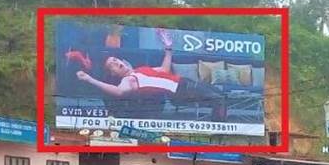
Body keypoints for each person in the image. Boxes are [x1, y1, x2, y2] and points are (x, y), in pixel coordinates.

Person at [72, 28, 228, 121]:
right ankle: (219, 134)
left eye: (115, 59)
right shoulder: (129, 80)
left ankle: (218, 126)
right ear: (114, 73)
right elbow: (118, 91)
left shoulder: (140, 70)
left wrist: (168, 48)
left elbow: (164, 70)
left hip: (184, 83)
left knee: (221, 97)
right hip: (180, 91)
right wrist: (90, 79)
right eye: (112, 65)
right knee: (218, 99)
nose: (117, 63)